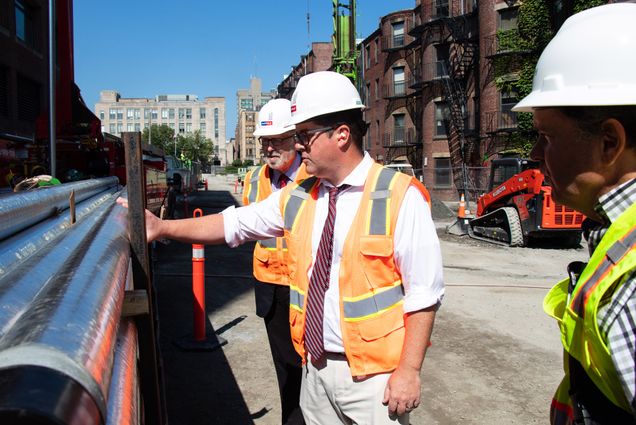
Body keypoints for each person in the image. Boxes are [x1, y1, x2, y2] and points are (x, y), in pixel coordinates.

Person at [133, 71, 444, 424]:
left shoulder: (398, 196)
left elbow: (424, 294)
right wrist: (161, 228)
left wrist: (409, 370)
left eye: (305, 136)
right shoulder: (300, 195)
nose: (297, 146)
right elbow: (233, 223)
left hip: (375, 379)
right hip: (315, 369)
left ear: (342, 135)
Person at [511, 4, 636, 424]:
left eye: (546, 136)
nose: (534, 155)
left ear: (609, 142)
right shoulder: (615, 235)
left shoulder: (631, 285)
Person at [243, 98, 309, 425]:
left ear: (297, 139)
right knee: (285, 372)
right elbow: (246, 225)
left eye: (277, 140)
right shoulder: (254, 180)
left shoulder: (314, 177)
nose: (269, 148)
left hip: (306, 288)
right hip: (270, 287)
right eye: (265, 142)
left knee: (311, 370)